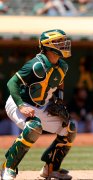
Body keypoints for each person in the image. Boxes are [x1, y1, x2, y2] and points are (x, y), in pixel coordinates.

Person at [1, 29, 76, 180]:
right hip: (18, 103)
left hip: (41, 105)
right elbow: (12, 83)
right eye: (59, 42)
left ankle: (51, 169)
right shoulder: (36, 65)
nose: (63, 44)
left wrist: (59, 100)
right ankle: (8, 168)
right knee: (33, 127)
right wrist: (22, 106)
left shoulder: (63, 66)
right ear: (48, 46)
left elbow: (59, 82)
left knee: (69, 129)